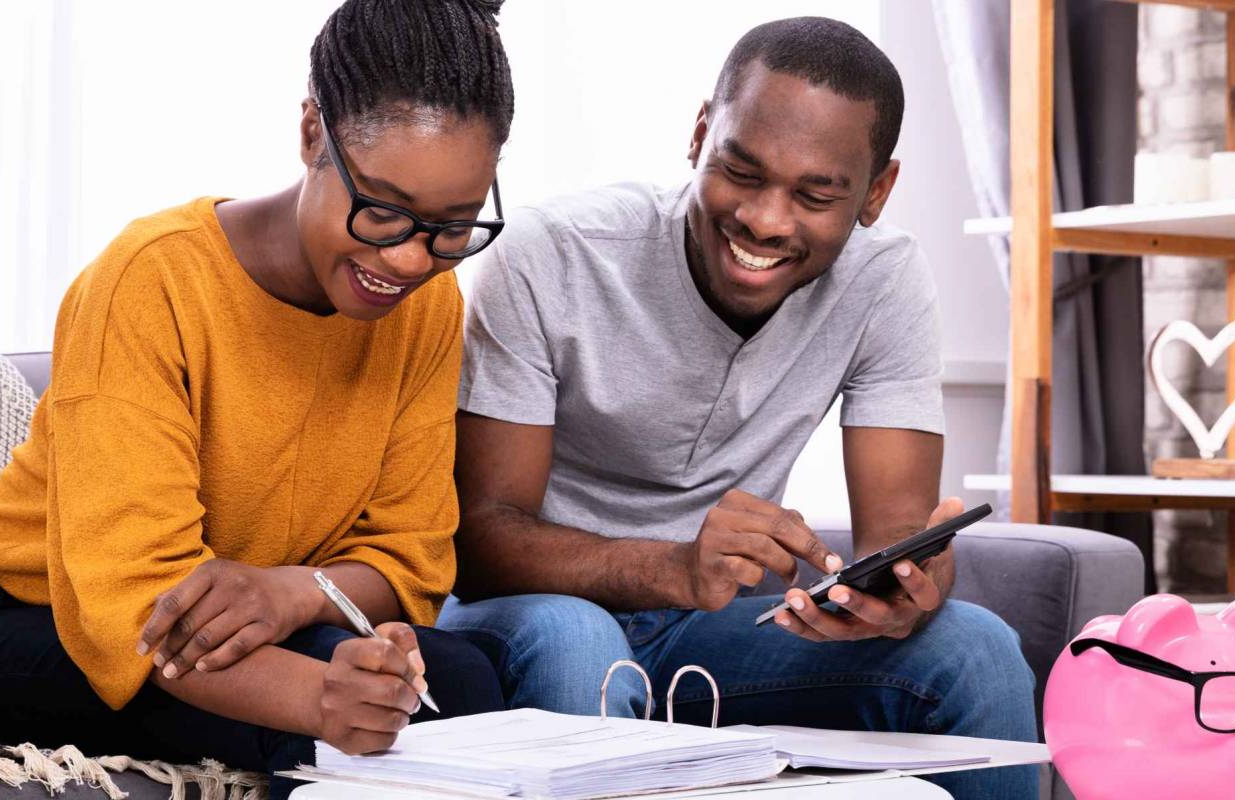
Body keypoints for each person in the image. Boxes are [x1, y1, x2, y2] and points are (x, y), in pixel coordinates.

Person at [0, 1, 513, 795]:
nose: (412, 259)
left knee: (462, 677)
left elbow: (414, 562)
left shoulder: (426, 308)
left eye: (452, 228)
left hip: (233, 624)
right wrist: (323, 698)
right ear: (313, 132)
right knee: (374, 714)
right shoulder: (152, 281)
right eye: (383, 210)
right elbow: (134, 611)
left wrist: (288, 593)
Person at [439, 16, 1038, 799]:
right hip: (532, 617)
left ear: (876, 193)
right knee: (579, 640)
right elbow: (481, 539)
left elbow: (895, 536)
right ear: (699, 134)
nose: (763, 219)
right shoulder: (552, 254)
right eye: (742, 172)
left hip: (713, 635)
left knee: (977, 650)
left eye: (815, 194)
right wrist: (676, 567)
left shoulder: (884, 283)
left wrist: (900, 597)